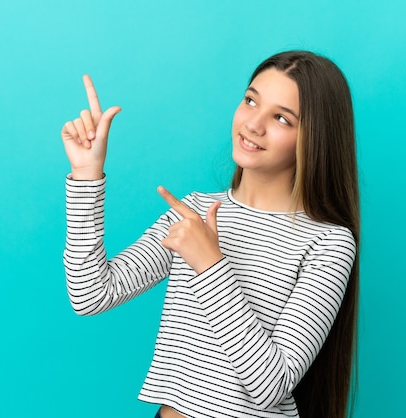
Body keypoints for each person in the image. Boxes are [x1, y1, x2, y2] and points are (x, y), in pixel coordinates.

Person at [61, 50, 360, 418]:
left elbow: (270, 386)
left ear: (315, 137)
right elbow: (91, 294)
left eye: (282, 118)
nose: (253, 124)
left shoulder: (328, 243)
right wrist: (86, 176)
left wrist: (209, 263)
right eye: (251, 101)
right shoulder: (195, 210)